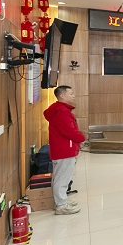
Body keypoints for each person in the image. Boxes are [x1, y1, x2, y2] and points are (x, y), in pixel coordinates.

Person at [43, 85, 86, 215]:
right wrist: (81, 138)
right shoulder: (61, 111)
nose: (73, 96)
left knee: (59, 177)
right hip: (64, 150)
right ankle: (61, 205)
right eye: (71, 93)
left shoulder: (57, 109)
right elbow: (69, 131)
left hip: (60, 149)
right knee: (62, 179)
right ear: (62, 95)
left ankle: (60, 201)